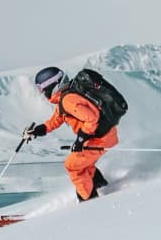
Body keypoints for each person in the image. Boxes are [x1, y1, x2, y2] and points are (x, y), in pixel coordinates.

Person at [23, 66, 116, 201]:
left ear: (52, 85)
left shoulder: (68, 100)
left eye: (43, 89)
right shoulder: (66, 97)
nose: (43, 93)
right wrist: (37, 130)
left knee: (72, 166)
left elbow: (92, 118)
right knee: (84, 163)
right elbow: (55, 120)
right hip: (104, 136)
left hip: (99, 139)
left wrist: (80, 140)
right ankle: (100, 186)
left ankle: (89, 201)